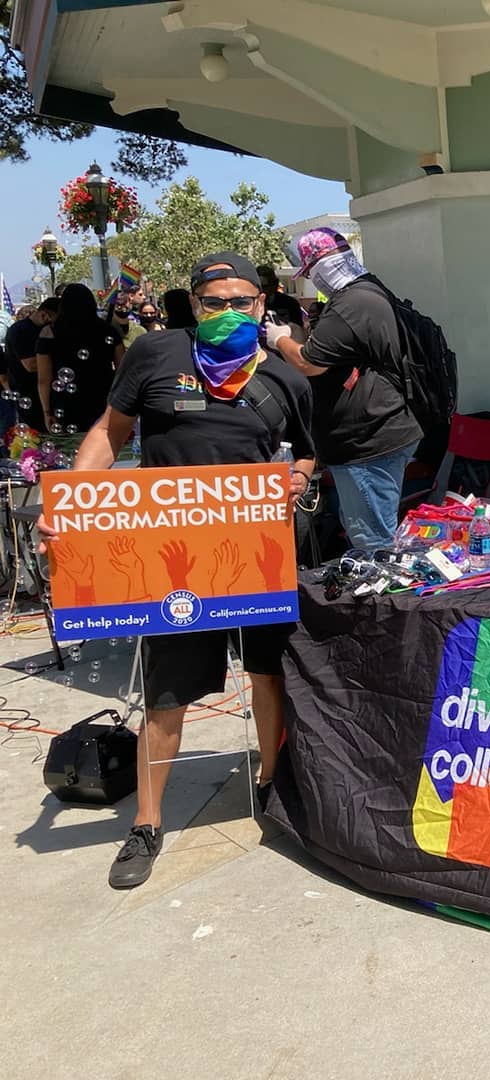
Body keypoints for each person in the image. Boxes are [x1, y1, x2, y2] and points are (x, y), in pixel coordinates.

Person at [41, 253, 316, 889]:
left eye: (240, 301)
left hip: (255, 558)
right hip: (173, 563)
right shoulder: (156, 356)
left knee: (267, 675)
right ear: (195, 304)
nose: (227, 312)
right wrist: (71, 504)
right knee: (166, 692)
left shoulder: (284, 379)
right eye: (214, 302)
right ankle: (146, 822)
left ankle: (270, 785)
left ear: (262, 303)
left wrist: (296, 485)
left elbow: (306, 455)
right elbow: (111, 433)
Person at [269, 227, 422, 550]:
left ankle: (375, 601)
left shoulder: (350, 304)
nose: (314, 279)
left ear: (322, 265)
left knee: (373, 544)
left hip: (366, 441)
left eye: (311, 272)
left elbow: (310, 363)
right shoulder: (368, 292)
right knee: (370, 533)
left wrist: (279, 338)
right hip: (377, 433)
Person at [36, 284, 125, 434]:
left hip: (65, 401)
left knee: (69, 448)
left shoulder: (49, 332)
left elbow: (44, 379)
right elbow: (122, 370)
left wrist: (47, 412)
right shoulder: (107, 330)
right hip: (102, 395)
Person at [3, 297, 60, 432]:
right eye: (54, 319)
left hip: (45, 393)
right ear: (44, 314)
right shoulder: (20, 331)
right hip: (27, 392)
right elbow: (30, 365)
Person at [257, 264, 307, 333]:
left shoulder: (290, 303)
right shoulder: (251, 304)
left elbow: (298, 329)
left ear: (275, 284)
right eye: (258, 286)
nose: (261, 290)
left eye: (264, 286)